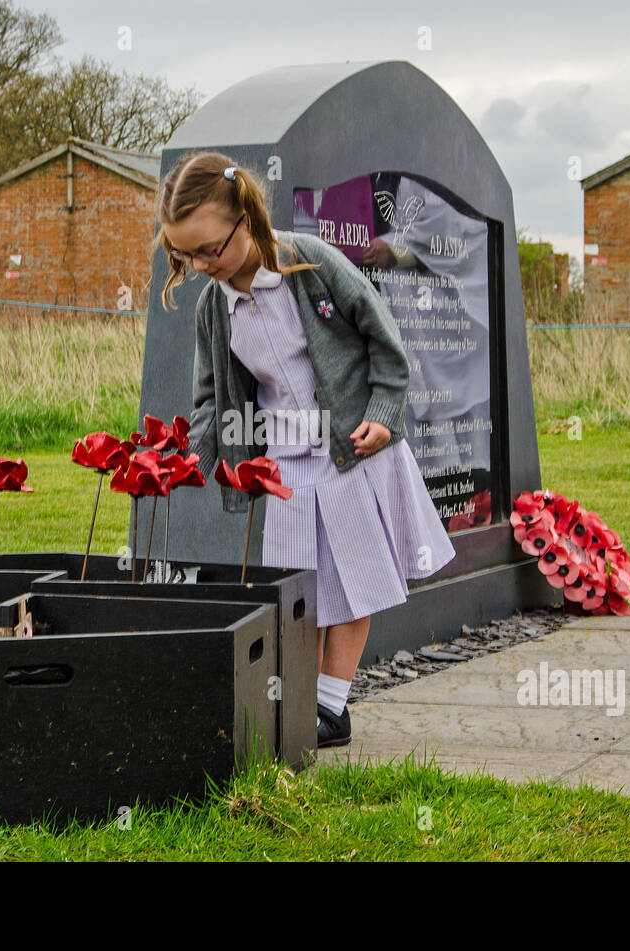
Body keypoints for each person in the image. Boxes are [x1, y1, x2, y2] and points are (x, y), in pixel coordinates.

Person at [155, 151, 456, 748]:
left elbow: (385, 342)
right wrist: (197, 458)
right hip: (284, 465)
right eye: (184, 256)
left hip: (349, 452)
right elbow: (211, 397)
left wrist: (381, 415)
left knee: (352, 579)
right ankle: (296, 704)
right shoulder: (215, 306)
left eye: (211, 249)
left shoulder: (311, 262)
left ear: (247, 218)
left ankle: (331, 708)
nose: (201, 265)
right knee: (299, 590)